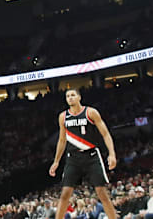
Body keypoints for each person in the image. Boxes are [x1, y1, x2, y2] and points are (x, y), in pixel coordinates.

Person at [49, 88, 118, 219]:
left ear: (79, 97)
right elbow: (62, 140)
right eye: (67, 96)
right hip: (73, 158)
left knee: (101, 192)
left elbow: (105, 134)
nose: (70, 97)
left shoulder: (90, 112)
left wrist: (112, 154)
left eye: (73, 95)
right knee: (65, 194)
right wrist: (56, 161)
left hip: (91, 155)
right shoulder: (63, 116)